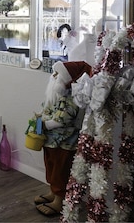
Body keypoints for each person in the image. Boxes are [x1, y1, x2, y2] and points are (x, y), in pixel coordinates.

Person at [34, 60, 92, 217]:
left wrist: (44, 124)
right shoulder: (56, 95)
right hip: (50, 142)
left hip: (63, 144)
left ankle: (59, 201)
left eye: (57, 74)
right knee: (51, 167)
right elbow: (48, 109)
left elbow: (62, 120)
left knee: (60, 171)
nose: (53, 76)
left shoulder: (71, 98)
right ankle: (53, 192)